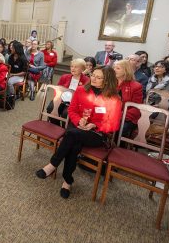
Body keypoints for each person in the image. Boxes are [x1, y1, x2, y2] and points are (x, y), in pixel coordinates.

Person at [35, 66, 122, 199]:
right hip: (77, 126)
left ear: (107, 81)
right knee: (74, 141)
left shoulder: (114, 98)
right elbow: (72, 111)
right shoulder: (81, 90)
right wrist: (79, 121)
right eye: (93, 75)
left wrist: (95, 125)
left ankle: (53, 165)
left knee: (71, 135)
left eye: (99, 77)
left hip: (97, 133)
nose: (93, 78)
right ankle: (67, 180)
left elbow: (113, 123)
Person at [113, 60, 143, 137]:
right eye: (114, 68)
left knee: (120, 128)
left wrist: (119, 115)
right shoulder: (110, 83)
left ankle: (117, 147)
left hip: (127, 117)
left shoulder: (136, 86)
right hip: (109, 114)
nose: (114, 70)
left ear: (126, 70)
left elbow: (136, 108)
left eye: (118, 68)